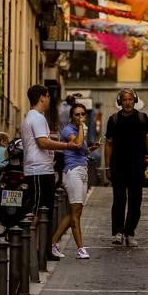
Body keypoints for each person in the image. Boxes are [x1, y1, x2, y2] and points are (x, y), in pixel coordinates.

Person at [21, 84, 80, 226]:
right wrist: (67, 146)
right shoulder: (37, 118)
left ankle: (41, 245)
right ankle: (35, 246)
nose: (48, 99)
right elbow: (43, 143)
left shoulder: (32, 117)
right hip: (38, 170)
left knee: (42, 211)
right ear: (42, 98)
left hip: (39, 169)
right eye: (47, 96)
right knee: (39, 211)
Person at [103, 88, 148, 247]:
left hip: (137, 166)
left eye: (130, 99)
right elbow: (109, 144)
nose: (127, 102)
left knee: (135, 201)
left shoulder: (142, 118)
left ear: (135, 100)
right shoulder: (113, 120)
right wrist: (107, 168)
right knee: (119, 199)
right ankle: (118, 232)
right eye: (124, 100)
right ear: (120, 101)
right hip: (118, 166)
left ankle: (129, 232)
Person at [51, 103, 91, 260]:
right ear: (72, 117)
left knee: (76, 211)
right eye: (77, 114)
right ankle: (81, 248)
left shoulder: (79, 131)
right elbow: (78, 144)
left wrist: (93, 147)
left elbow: (83, 150)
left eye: (82, 114)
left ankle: (53, 242)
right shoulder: (68, 130)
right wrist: (81, 126)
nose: (80, 117)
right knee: (75, 211)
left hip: (83, 170)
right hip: (72, 171)